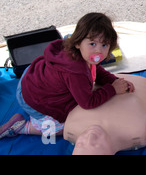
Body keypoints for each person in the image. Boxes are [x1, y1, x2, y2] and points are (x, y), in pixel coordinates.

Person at [0, 13, 134, 140]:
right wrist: (113, 89)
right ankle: (22, 127)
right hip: (32, 97)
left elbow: (96, 70)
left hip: (31, 77)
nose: (98, 50)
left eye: (104, 45)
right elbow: (87, 103)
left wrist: (115, 81)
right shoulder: (75, 72)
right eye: (92, 44)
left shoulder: (80, 53)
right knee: (67, 128)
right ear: (77, 43)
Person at [66, 74, 146, 155]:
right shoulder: (136, 132)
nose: (90, 137)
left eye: (80, 144)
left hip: (103, 78)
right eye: (95, 145)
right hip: (140, 83)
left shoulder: (70, 128)